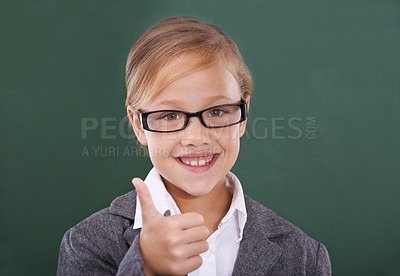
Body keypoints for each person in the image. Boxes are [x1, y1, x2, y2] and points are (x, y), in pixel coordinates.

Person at [57, 16, 331, 276]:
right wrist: (146, 268)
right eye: (170, 116)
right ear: (138, 125)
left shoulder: (304, 256)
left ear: (244, 113)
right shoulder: (88, 244)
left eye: (216, 112)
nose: (196, 137)